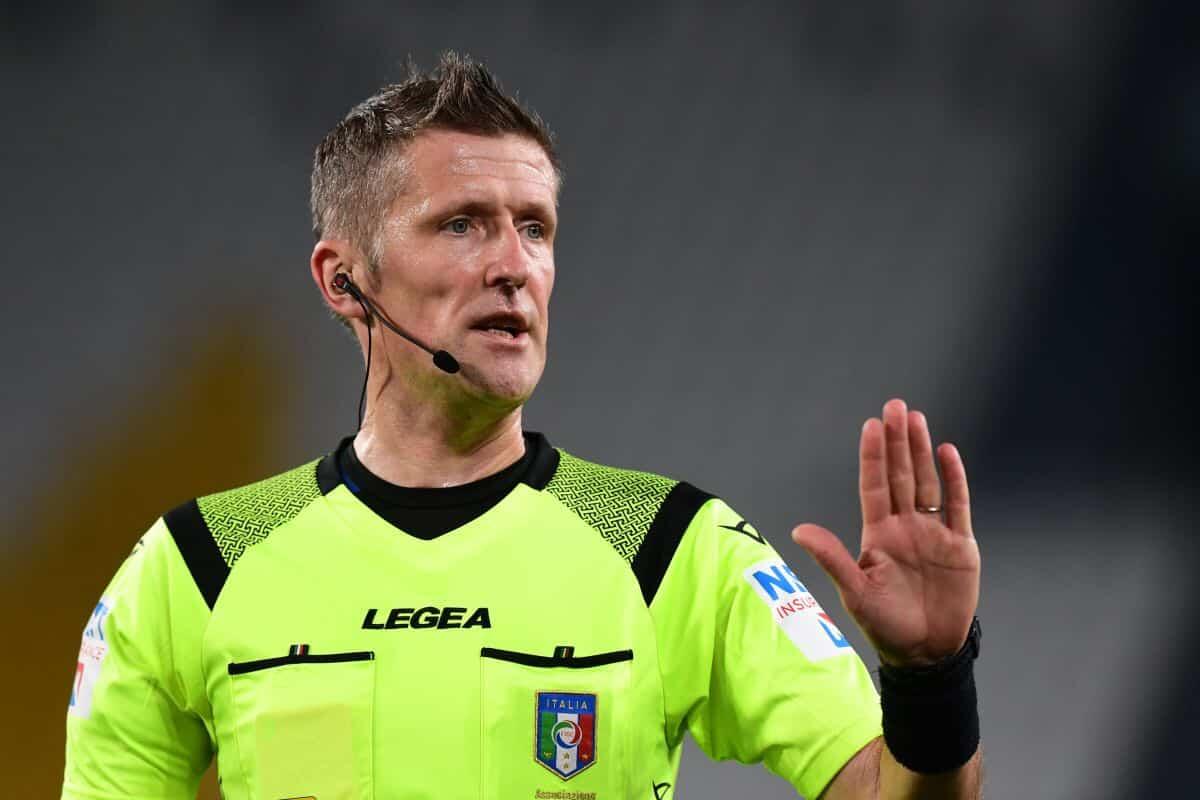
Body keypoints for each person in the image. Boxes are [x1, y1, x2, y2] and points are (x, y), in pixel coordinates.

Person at [61, 52, 983, 800]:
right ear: (343, 280)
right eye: (462, 225)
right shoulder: (196, 564)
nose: (514, 266)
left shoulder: (672, 548)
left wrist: (929, 680)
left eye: (535, 228)